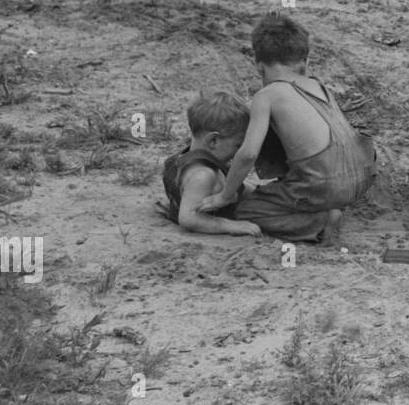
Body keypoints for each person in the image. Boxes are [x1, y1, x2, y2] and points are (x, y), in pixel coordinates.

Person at [194, 14, 379, 245]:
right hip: (361, 178)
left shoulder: (267, 95)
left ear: (259, 67)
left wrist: (225, 194)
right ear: (304, 61)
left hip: (324, 186)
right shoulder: (318, 85)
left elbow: (249, 154)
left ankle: (319, 222)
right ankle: (323, 205)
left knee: (246, 210)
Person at [159, 92, 262, 237]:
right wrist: (230, 225)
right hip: (218, 218)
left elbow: (240, 188)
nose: (240, 152)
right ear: (213, 140)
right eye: (238, 145)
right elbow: (188, 217)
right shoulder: (202, 176)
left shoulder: (180, 159)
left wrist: (261, 192)